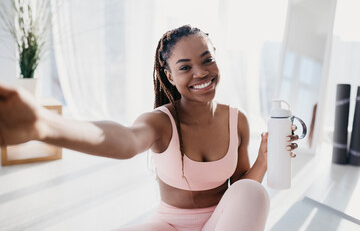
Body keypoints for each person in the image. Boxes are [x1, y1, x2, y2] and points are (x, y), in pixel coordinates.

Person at [0, 25, 299, 231]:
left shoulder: (237, 120)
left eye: (207, 59)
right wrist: (46, 125)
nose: (201, 72)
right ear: (168, 75)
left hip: (222, 224)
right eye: (185, 67)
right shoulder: (161, 121)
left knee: (253, 192)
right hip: (169, 226)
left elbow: (240, 189)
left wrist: (264, 158)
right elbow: (126, 141)